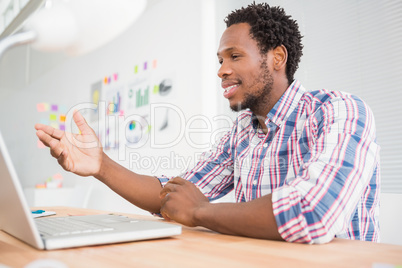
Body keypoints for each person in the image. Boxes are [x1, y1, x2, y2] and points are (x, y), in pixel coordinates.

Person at [35, 3, 380, 244]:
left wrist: (201, 211)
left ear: (276, 58)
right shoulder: (243, 131)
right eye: (219, 60)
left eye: (234, 56)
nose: (221, 70)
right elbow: (172, 196)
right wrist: (100, 164)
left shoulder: (339, 111)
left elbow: (312, 213)